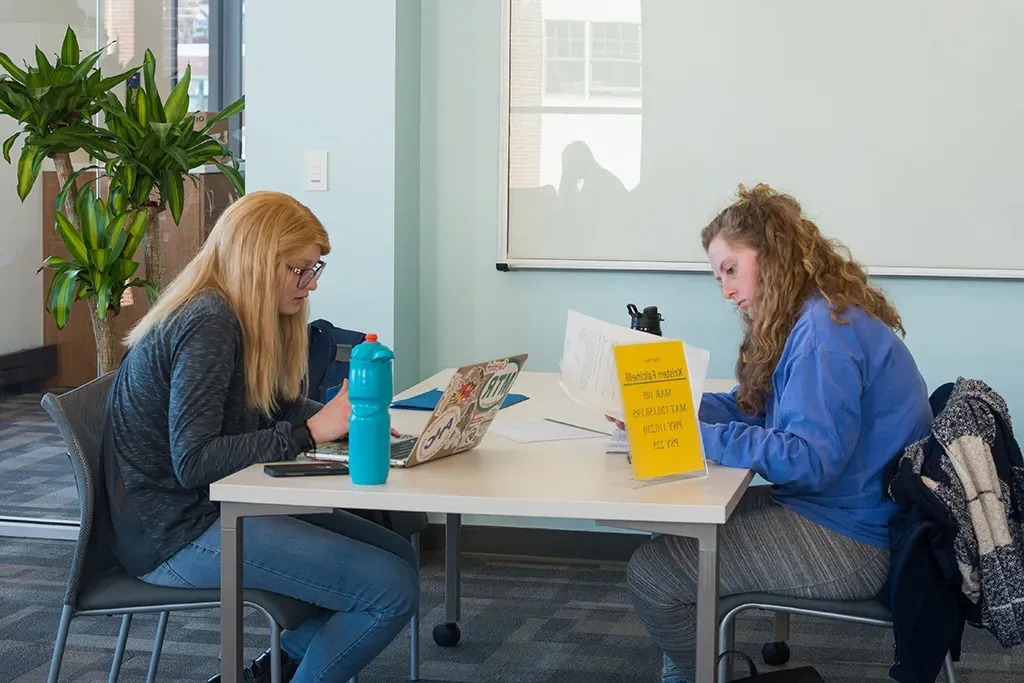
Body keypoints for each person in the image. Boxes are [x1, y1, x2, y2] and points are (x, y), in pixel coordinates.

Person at [101, 191, 418, 683]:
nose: (310, 284)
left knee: (398, 557)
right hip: (176, 533)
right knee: (391, 588)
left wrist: (339, 423)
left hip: (215, 509)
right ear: (256, 260)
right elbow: (196, 461)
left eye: (316, 269)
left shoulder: (235, 315)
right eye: (299, 269)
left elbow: (275, 409)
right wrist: (311, 432)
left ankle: (276, 669)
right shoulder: (208, 321)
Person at [624, 184, 933, 682]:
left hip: (853, 541)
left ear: (771, 257)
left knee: (653, 576)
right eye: (718, 275)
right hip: (845, 512)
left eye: (731, 269)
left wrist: (692, 434)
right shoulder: (813, 316)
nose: (725, 289)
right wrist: (674, 408)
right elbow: (759, 408)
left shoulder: (823, 336)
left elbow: (809, 460)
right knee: (681, 529)